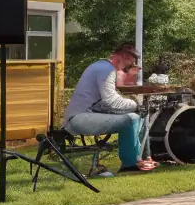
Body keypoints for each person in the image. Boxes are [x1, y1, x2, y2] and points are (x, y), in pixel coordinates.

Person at [63, 44, 154, 173]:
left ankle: (136, 159)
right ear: (122, 56)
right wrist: (135, 105)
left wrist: (130, 107)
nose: (131, 65)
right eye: (131, 61)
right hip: (80, 118)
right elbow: (111, 101)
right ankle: (130, 165)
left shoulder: (100, 66)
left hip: (80, 115)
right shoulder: (107, 70)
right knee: (132, 119)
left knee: (132, 117)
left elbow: (104, 103)